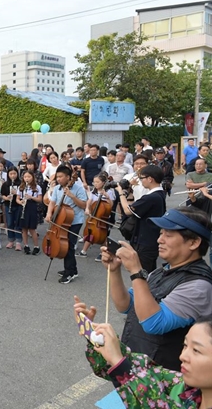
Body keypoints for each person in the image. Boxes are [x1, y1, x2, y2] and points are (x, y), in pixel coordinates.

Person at [99, 206, 212, 371]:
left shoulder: (198, 286)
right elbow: (126, 305)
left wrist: (136, 271)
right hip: (141, 371)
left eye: (169, 235)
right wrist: (115, 270)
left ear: (194, 242)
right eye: (161, 233)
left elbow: (153, 323)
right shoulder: (163, 270)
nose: (160, 239)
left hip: (165, 381)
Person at [74, 298, 212, 408]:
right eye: (185, 345)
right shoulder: (185, 388)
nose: (183, 356)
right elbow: (143, 370)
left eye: (196, 350)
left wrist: (118, 361)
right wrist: (98, 338)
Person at [116, 164, 166, 273]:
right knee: (149, 273)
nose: (140, 181)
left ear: (150, 179)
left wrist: (120, 192)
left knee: (141, 274)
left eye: (142, 178)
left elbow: (127, 210)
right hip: (152, 239)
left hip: (145, 241)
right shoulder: (160, 194)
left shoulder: (150, 197)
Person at [45, 165, 87, 284]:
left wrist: (72, 196)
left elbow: (83, 205)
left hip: (74, 221)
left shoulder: (78, 188)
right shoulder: (58, 188)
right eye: (57, 177)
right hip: (61, 220)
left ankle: (69, 272)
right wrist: (49, 214)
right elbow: (52, 202)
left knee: (68, 246)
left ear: (68, 177)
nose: (58, 179)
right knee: (64, 244)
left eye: (61, 176)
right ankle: (72, 269)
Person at [76, 172, 116, 260]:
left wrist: (107, 196)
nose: (95, 184)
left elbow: (111, 205)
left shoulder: (109, 191)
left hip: (103, 217)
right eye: (94, 182)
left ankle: (104, 252)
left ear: (103, 182)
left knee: (103, 237)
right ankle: (84, 251)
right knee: (90, 233)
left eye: (97, 182)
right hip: (94, 215)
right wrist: (87, 208)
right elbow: (90, 201)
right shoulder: (94, 190)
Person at [17, 170, 42, 255]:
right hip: (23, 207)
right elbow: (17, 198)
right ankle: (26, 245)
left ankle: (36, 246)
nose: (27, 179)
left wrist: (31, 197)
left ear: (33, 177)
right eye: (25, 177)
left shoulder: (37, 187)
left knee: (32, 228)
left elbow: (39, 199)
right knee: (24, 228)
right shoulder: (21, 187)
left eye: (29, 177)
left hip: (32, 207)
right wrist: (20, 202)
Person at [0, 167, 22, 251]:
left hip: (18, 205)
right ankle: (11, 240)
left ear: (17, 174)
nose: (13, 176)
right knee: (9, 223)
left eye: (14, 174)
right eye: (11, 174)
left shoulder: (20, 183)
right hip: (8, 205)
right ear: (8, 175)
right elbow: (2, 194)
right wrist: (6, 198)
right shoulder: (5, 184)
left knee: (18, 224)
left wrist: (17, 193)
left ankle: (18, 242)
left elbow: (23, 194)